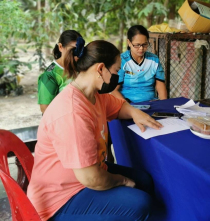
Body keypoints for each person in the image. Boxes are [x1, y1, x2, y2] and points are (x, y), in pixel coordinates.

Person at [27, 38, 163, 221]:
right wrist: (122, 181)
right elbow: (92, 179)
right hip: (59, 200)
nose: (117, 77)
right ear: (100, 69)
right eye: (115, 71)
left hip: (82, 177)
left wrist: (134, 112)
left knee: (144, 180)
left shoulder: (94, 95)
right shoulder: (72, 112)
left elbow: (117, 107)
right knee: (140, 203)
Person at [111, 25, 167, 103]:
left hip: (150, 103)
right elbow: (114, 90)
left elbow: (160, 85)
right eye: (137, 45)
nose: (141, 48)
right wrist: (128, 108)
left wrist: (165, 104)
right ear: (129, 42)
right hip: (127, 104)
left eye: (144, 44)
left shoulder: (154, 60)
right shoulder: (122, 60)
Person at [37, 30, 82, 114]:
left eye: (80, 50)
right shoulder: (50, 75)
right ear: (60, 47)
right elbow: (45, 109)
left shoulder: (81, 66)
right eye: (73, 50)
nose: (77, 55)